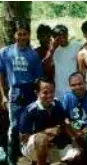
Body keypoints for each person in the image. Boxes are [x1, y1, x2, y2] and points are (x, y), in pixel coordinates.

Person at [0, 20, 43, 165]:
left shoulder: (33, 55)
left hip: (30, 91)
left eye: (25, 34)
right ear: (14, 35)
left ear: (29, 35)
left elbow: (38, 78)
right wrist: (3, 96)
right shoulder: (5, 52)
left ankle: (29, 158)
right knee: (14, 127)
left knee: (30, 126)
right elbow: (0, 75)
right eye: (19, 34)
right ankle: (11, 160)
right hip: (15, 92)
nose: (22, 37)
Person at [19, 77, 81, 165]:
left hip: (53, 145)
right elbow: (23, 139)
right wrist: (45, 133)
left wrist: (74, 139)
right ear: (37, 93)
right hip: (32, 147)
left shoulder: (57, 104)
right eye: (45, 92)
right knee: (42, 139)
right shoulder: (30, 110)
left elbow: (64, 123)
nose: (49, 95)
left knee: (76, 154)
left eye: (51, 92)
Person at [52, 24, 82, 99]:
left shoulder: (77, 46)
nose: (62, 39)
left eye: (64, 36)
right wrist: (52, 49)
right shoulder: (53, 50)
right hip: (59, 89)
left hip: (75, 87)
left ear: (67, 34)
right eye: (59, 38)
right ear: (54, 38)